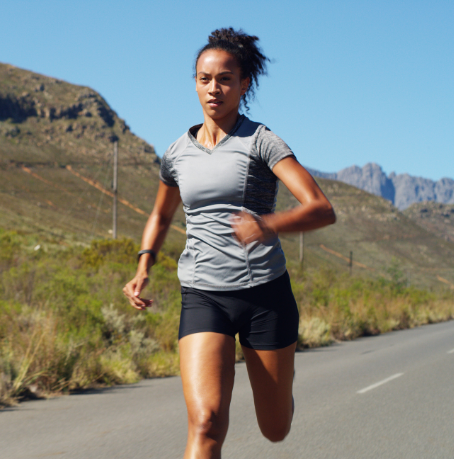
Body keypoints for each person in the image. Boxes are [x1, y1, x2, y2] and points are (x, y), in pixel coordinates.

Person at [122, 28, 336, 459]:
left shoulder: (262, 142)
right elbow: (161, 215)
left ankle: (281, 397)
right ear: (195, 83)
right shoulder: (177, 152)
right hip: (204, 295)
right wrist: (144, 265)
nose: (214, 88)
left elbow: (321, 208)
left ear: (243, 85)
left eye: (224, 79)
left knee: (275, 428)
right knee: (206, 422)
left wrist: (268, 224)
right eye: (205, 79)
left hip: (265, 296)